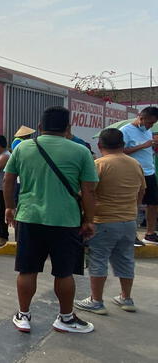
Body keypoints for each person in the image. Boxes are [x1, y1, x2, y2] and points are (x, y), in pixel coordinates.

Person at [4, 106, 99, 334]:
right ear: (68, 128)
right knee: (64, 272)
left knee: (27, 270)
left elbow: (8, 180)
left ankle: (23, 316)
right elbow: (89, 191)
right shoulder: (81, 151)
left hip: (29, 217)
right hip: (66, 220)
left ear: (39, 128)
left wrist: (9, 207)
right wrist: (89, 220)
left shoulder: (23, 148)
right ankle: (65, 319)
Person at [74, 129, 145, 315]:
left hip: (104, 220)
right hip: (129, 220)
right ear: (123, 145)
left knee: (98, 259)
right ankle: (126, 298)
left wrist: (85, 216)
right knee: (126, 259)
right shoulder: (135, 164)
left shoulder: (99, 164)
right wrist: (132, 208)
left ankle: (96, 301)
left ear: (100, 146)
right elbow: (141, 191)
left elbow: (88, 192)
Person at [121, 106, 158, 244]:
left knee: (153, 203)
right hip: (133, 172)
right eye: (148, 123)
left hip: (149, 171)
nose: (150, 126)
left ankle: (150, 233)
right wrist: (143, 145)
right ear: (141, 117)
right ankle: (132, 234)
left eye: (153, 124)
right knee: (134, 204)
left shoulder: (148, 132)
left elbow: (147, 148)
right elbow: (120, 151)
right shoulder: (125, 131)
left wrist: (152, 145)